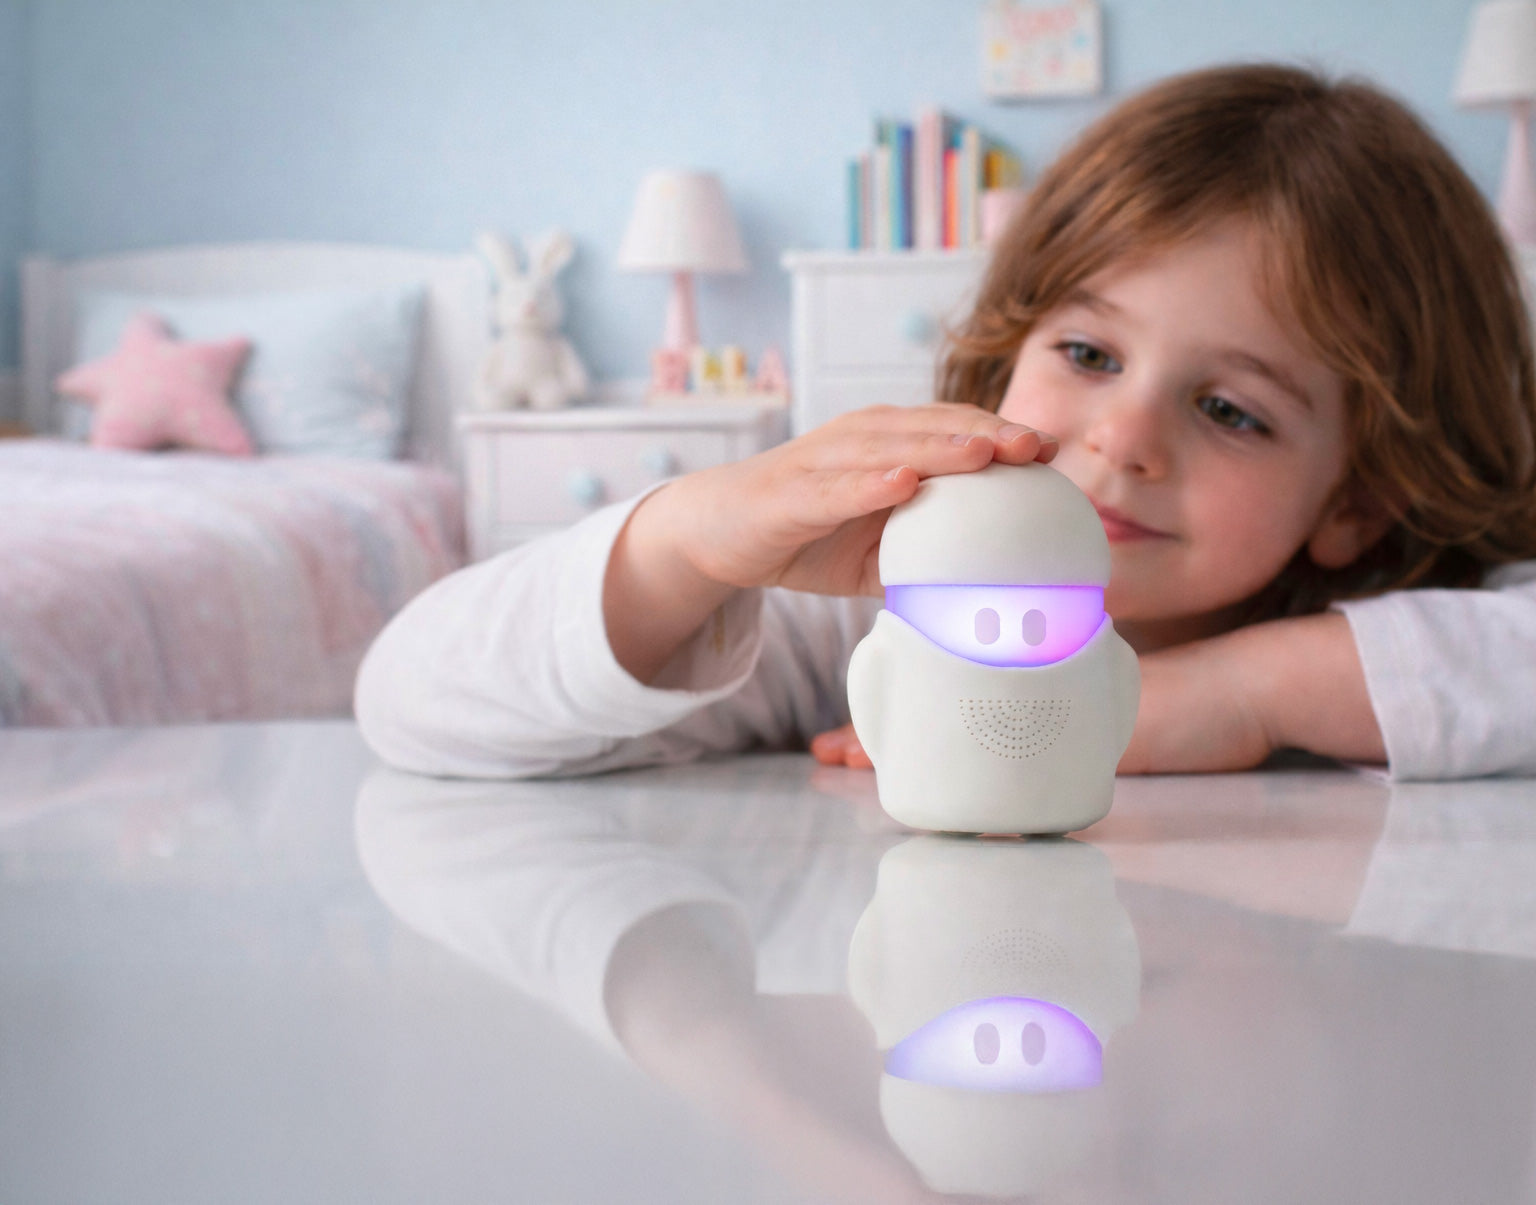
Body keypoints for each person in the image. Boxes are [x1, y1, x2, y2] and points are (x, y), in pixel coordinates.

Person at [356, 64, 1536, 782]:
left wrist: (1237, 695)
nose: (1122, 437)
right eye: (1088, 353)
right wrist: (684, 541)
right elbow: (409, 702)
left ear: (1357, 500)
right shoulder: (869, 602)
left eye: (1231, 409)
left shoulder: (1415, 631)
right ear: (1011, 348)